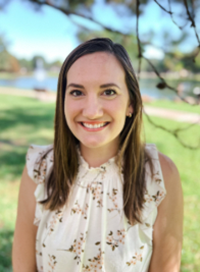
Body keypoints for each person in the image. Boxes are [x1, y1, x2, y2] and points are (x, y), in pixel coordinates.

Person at [12, 38, 183, 272]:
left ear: (131, 103)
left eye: (109, 92)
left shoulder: (160, 175)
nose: (92, 111)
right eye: (77, 92)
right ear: (63, 100)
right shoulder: (38, 168)